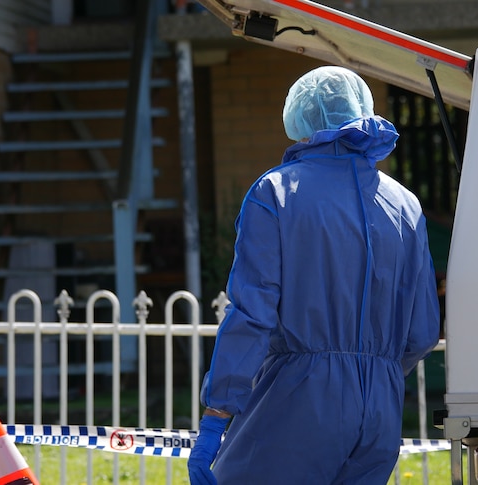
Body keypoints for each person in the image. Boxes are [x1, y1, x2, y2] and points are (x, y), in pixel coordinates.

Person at [187, 65, 441, 484]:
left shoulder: (276, 193)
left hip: (299, 399)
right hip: (381, 407)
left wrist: (217, 414)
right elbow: (422, 332)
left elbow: (253, 313)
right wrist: (372, 373)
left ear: (301, 121)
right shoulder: (405, 205)